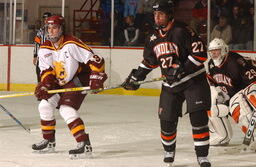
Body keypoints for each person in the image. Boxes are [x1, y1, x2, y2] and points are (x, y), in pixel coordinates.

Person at [121, 0, 211, 166]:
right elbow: (150, 61)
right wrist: (137, 77)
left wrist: (182, 69)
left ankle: (202, 157)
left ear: (169, 14)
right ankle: (169, 152)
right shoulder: (152, 37)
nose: (157, 17)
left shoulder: (183, 30)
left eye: (160, 14)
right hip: (170, 85)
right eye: (155, 14)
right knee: (167, 122)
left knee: (198, 119)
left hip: (193, 81)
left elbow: (200, 54)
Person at [31, 15, 107, 158]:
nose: (51, 31)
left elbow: (96, 59)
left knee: (66, 109)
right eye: (49, 28)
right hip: (60, 82)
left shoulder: (71, 43)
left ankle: (84, 144)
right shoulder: (44, 48)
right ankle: (49, 140)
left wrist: (97, 77)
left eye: (54, 28)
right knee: (44, 106)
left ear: (61, 29)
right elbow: (46, 71)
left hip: (78, 79)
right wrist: (45, 85)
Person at [206, 38, 256, 147]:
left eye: (216, 50)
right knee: (212, 107)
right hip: (228, 97)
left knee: (239, 108)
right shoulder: (211, 65)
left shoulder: (234, 60)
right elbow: (213, 84)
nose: (213, 53)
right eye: (211, 51)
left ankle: (254, 135)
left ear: (223, 50)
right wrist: (219, 93)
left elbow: (252, 81)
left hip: (242, 94)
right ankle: (222, 136)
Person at [33, 12, 52, 82]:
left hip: (51, 56)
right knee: (39, 72)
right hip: (41, 57)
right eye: (45, 19)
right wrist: (35, 56)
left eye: (48, 19)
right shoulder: (40, 32)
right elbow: (36, 44)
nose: (46, 21)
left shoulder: (54, 31)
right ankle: (40, 87)